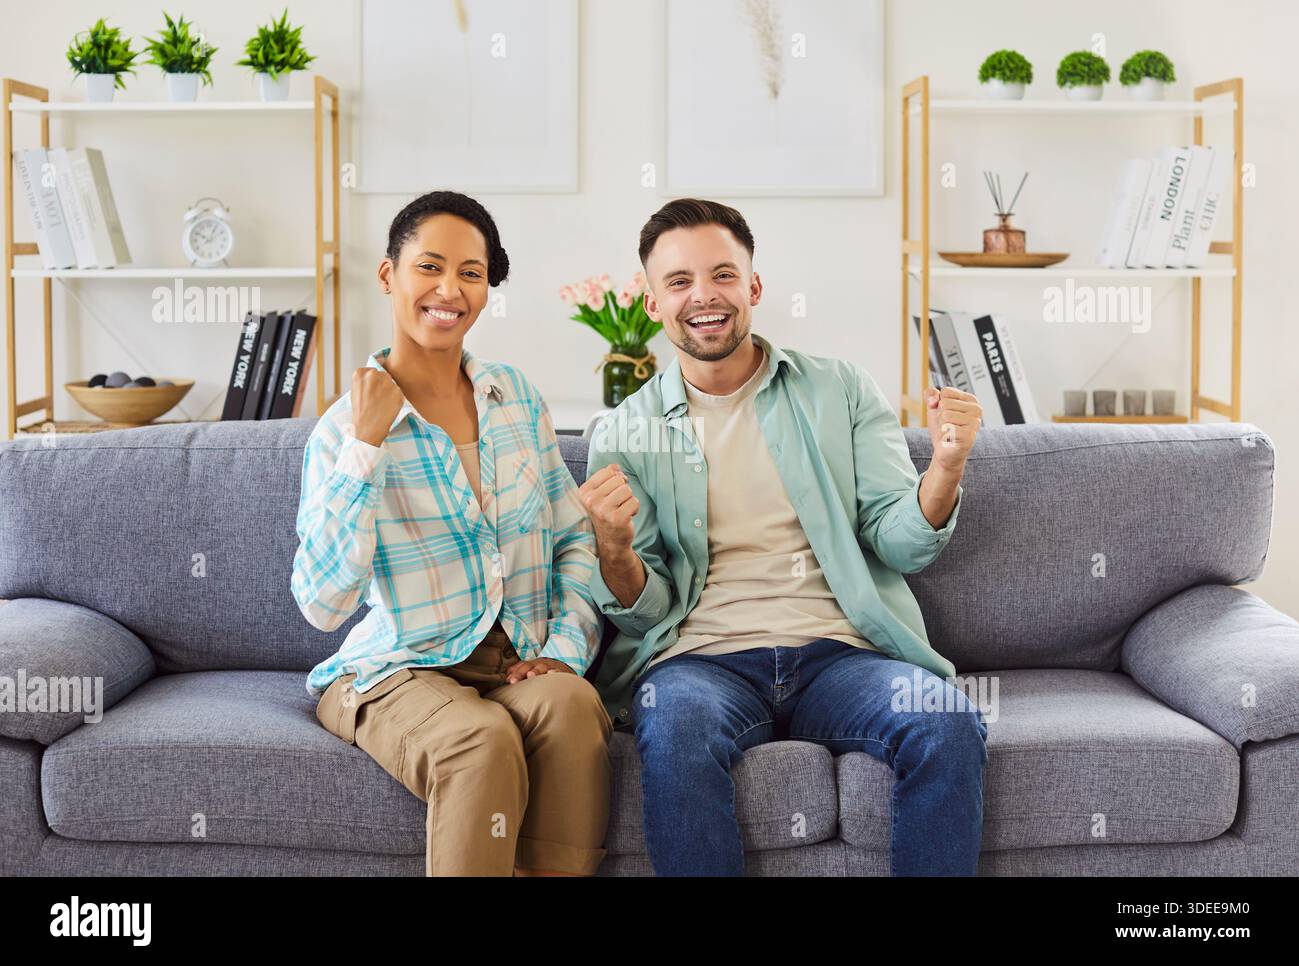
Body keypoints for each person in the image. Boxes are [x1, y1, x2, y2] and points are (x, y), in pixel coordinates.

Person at [579, 198, 988, 876]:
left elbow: (901, 542)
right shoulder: (624, 431)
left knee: (945, 721)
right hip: (701, 663)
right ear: (653, 303)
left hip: (841, 654)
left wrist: (944, 469)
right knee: (671, 725)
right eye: (679, 282)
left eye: (722, 275)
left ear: (754, 287)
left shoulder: (840, 390)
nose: (703, 296)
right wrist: (615, 550)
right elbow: (644, 609)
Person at [293, 190, 610, 876]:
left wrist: (563, 646)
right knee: (481, 737)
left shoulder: (515, 398)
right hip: (393, 670)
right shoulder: (343, 431)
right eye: (429, 267)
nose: (449, 289)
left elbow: (572, 539)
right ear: (388, 276)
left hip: (511, 655)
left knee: (570, 703)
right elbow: (321, 603)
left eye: (471, 273)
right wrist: (367, 448)